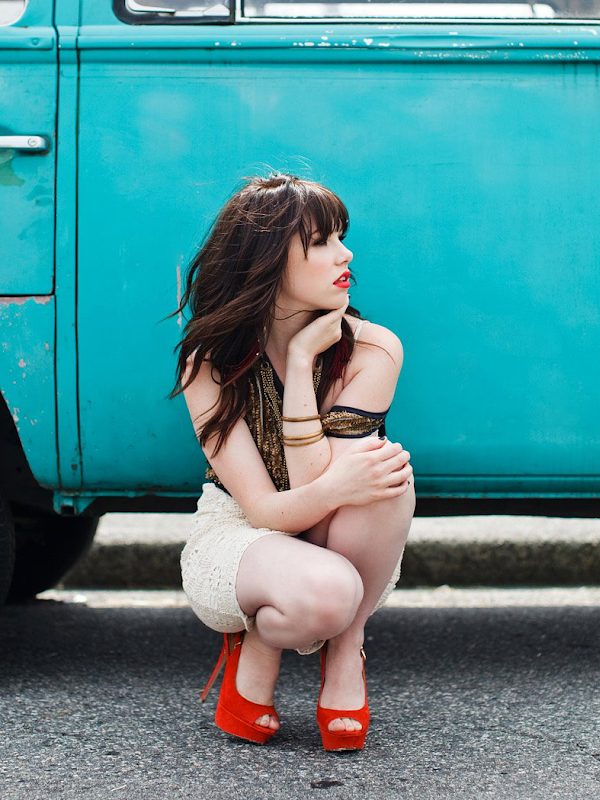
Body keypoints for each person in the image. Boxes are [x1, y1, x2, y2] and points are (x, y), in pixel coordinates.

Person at [168, 172, 415, 751]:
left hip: (345, 543)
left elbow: (324, 486)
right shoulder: (208, 363)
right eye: (322, 242)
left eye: (341, 238)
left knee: (386, 478)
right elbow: (264, 509)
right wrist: (301, 360)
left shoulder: (374, 348)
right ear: (268, 261)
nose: (345, 254)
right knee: (330, 585)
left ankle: (346, 649)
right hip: (242, 532)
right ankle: (255, 641)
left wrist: (304, 365)